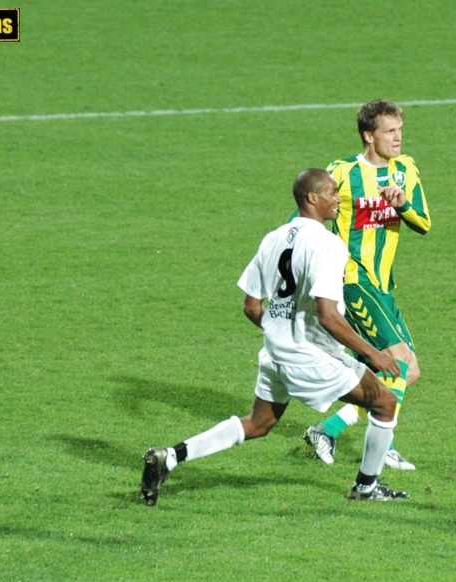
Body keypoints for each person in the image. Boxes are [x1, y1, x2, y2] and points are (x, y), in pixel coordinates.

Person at [140, 169, 411, 506]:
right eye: (330, 192)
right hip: (311, 358)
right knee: (384, 402)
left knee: (258, 423)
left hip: (275, 354)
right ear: (311, 198)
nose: (337, 198)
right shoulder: (328, 244)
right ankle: (366, 487)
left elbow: (252, 307)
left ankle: (171, 457)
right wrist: (374, 354)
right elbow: (328, 316)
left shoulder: (273, 238)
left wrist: (281, 332)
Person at [304, 99, 431, 470]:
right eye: (389, 131)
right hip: (351, 280)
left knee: (409, 371)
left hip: (383, 286)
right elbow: (310, 214)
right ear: (368, 136)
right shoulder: (341, 172)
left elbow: (423, 223)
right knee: (399, 363)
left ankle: (327, 429)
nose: (398, 138)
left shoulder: (405, 170)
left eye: (400, 130)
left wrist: (402, 205)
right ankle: (381, 440)